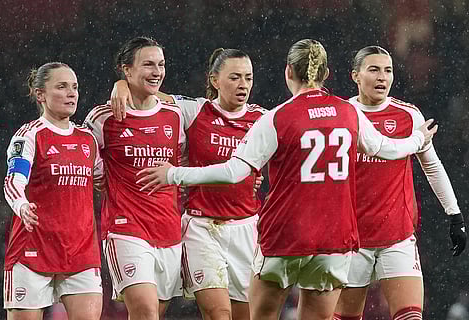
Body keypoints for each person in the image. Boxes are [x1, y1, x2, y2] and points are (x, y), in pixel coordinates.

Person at [133, 39, 438, 320]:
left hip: (287, 234)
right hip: (333, 238)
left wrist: (173, 173)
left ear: (289, 71)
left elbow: (233, 172)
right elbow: (387, 148)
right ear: (327, 73)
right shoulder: (349, 112)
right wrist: (417, 140)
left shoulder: (277, 117)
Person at [111, 48, 266, 320]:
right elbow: (148, 93)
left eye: (248, 78)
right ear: (215, 80)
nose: (243, 85)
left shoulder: (263, 119)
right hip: (202, 229)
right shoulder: (194, 110)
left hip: (246, 228)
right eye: (234, 77)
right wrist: (121, 83)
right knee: (218, 313)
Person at [333, 46, 466, 320]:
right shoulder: (342, 115)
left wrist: (454, 213)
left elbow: (432, 166)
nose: (382, 77)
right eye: (374, 70)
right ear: (355, 76)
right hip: (352, 238)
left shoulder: (408, 115)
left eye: (388, 70)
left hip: (398, 236)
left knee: (410, 317)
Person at [84, 36, 185, 320]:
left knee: (152, 313)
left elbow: (187, 162)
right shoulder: (104, 118)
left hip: (168, 228)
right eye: (148, 64)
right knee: (145, 311)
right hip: (125, 227)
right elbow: (81, 154)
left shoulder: (174, 116)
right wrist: (98, 175)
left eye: (161, 64)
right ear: (127, 70)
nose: (157, 71)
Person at [3, 62, 103, 320]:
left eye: (75, 87)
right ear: (40, 94)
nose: (71, 93)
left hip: (80, 249)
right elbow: (14, 181)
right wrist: (22, 205)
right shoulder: (29, 135)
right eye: (61, 86)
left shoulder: (87, 139)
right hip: (34, 248)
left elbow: (106, 181)